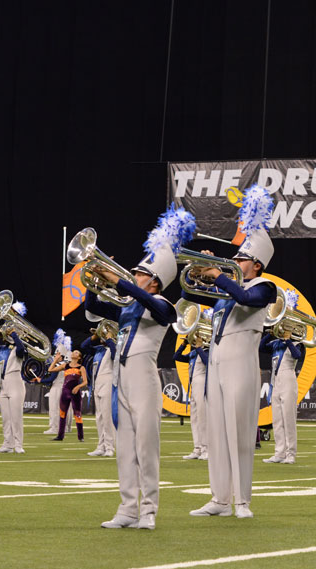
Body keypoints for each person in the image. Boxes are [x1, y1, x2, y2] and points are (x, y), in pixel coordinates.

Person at [87, 205, 191, 530]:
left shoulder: (163, 305)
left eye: (141, 274)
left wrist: (118, 279)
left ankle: (148, 510)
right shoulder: (128, 308)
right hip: (121, 377)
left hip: (144, 379)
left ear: (156, 282)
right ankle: (127, 508)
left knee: (147, 447)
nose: (135, 276)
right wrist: (91, 282)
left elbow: (145, 302)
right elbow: (94, 308)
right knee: (124, 448)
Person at [188, 186, 276, 520]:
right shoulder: (229, 290)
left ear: (255, 264)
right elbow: (190, 291)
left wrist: (219, 277)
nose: (233, 261)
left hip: (241, 365)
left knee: (239, 432)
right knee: (216, 431)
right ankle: (220, 498)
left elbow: (248, 300)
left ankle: (242, 501)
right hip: (218, 364)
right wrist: (201, 269)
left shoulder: (265, 288)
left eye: (239, 258)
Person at [261, 293, 304, 464]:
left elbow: (297, 355)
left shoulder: (296, 342)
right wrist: (271, 331)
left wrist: (287, 340)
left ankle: (290, 453)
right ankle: (279, 452)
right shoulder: (275, 343)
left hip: (288, 378)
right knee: (277, 418)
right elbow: (261, 347)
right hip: (275, 380)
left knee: (288, 417)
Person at [0, 325, 27, 454]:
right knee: (6, 418)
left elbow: (21, 347)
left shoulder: (18, 349)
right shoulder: (0, 350)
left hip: (15, 381)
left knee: (16, 417)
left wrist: (15, 334)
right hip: (3, 383)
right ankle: (7, 444)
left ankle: (18, 444)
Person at [81, 325, 117, 457]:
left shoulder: (114, 347)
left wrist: (110, 339)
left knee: (107, 417)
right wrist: (95, 336)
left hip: (108, 381)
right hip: (97, 383)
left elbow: (115, 356)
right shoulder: (99, 350)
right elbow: (84, 346)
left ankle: (110, 447)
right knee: (99, 417)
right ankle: (101, 446)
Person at [173, 332, 209, 460]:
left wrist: (199, 347)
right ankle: (197, 448)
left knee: (203, 418)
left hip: (203, 386)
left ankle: (206, 449)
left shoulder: (208, 351)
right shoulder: (193, 353)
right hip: (193, 386)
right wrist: (184, 344)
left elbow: (208, 363)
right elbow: (176, 357)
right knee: (194, 418)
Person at [47, 349, 88, 442]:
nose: (74, 353)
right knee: (62, 413)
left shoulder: (81, 368)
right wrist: (55, 360)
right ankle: (60, 436)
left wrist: (78, 386)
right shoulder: (65, 366)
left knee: (77, 414)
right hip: (65, 392)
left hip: (75, 393)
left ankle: (80, 436)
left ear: (79, 357)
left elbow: (85, 382)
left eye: (77, 352)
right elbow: (50, 369)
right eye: (73, 351)